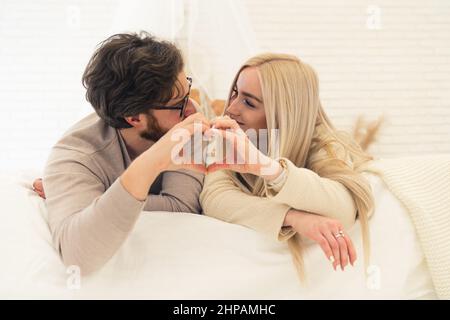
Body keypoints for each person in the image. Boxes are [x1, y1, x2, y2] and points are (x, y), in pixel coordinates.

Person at [38, 32, 209, 276]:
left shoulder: (187, 121)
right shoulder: (75, 155)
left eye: (188, 92)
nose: (193, 109)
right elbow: (77, 258)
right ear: (134, 118)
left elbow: (181, 205)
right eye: (179, 104)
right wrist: (154, 159)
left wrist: (101, 199)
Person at [200, 53, 375, 275]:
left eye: (248, 102)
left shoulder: (324, 143)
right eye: (234, 93)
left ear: (283, 113)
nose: (231, 109)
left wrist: (267, 168)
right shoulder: (230, 136)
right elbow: (215, 197)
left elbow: (345, 209)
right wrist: (293, 217)